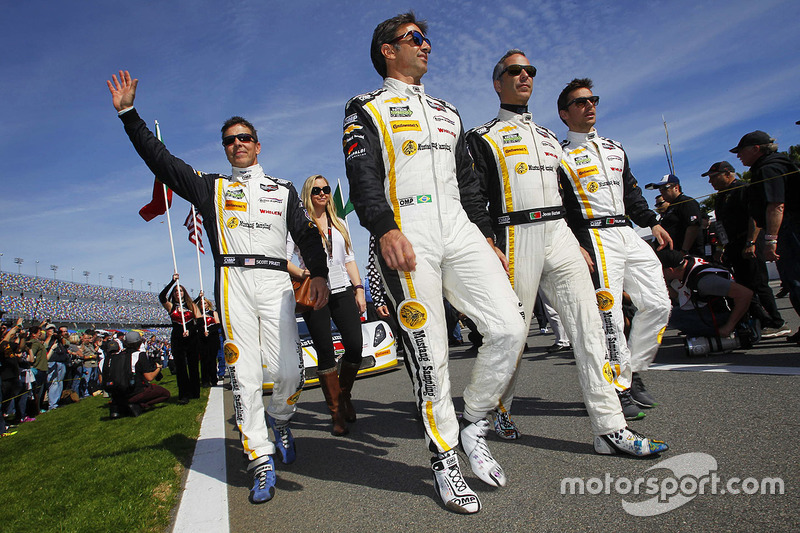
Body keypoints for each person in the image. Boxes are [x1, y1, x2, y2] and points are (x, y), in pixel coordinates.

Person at [107, 70, 329, 505]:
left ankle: (280, 419)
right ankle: (259, 459)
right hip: (231, 282)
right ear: (224, 148)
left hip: (274, 281)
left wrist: (318, 273)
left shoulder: (282, 190)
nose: (238, 144)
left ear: (258, 144)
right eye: (229, 140)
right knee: (243, 375)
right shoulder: (210, 187)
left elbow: (306, 237)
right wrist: (130, 116)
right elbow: (163, 162)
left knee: (288, 371)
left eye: (245, 137)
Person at [343, 13, 529, 514]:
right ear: (387, 49)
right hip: (409, 230)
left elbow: (469, 182)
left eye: (426, 39)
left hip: (460, 229)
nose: (426, 46)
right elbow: (362, 176)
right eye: (414, 39)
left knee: (510, 328)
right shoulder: (365, 107)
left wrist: (486, 235)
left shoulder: (449, 112)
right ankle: (444, 456)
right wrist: (383, 229)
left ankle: (473, 424)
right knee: (432, 350)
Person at [466, 51, 667, 456]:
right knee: (513, 334)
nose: (524, 76)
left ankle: (610, 428)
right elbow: (474, 195)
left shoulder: (546, 138)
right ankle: (492, 408)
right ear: (497, 83)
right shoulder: (481, 136)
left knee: (590, 326)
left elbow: (568, 198)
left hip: (558, 232)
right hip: (514, 234)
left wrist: (575, 239)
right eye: (514, 71)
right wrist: (487, 241)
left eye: (529, 71)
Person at [558, 78, 673, 418]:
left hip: (627, 232)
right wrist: (574, 243)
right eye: (580, 102)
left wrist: (652, 221)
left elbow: (632, 193)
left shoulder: (615, 148)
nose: (589, 105)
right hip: (595, 237)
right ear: (565, 114)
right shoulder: (560, 156)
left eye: (592, 99)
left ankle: (633, 371)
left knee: (658, 305)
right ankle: (617, 388)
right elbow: (559, 207)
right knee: (609, 317)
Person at [287, 175, 366, 436]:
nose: (322, 193)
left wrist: (359, 290)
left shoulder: (340, 223)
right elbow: (283, 259)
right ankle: (336, 413)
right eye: (316, 190)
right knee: (325, 352)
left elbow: (350, 259)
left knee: (354, 346)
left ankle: (344, 395)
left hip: (343, 289)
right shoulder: (299, 225)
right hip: (316, 292)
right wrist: (302, 274)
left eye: (326, 189)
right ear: (308, 194)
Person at [703, 161, 786, 335]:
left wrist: (751, 242)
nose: (711, 182)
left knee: (758, 284)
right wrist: (721, 246)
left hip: (748, 241)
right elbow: (719, 225)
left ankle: (776, 323)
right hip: (732, 245)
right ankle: (760, 320)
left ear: (728, 174)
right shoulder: (720, 196)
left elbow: (754, 218)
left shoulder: (744, 189)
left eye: (713, 177)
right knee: (743, 286)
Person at [731, 130, 800, 341]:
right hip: (788, 227)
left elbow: (776, 205)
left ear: (756, 149)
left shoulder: (769, 168)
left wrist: (771, 239)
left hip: (791, 227)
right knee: (793, 280)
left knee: (796, 279)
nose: (738, 156)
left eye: (741, 151)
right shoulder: (769, 166)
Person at [657, 249, 756, 340]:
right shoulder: (686, 265)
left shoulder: (704, 281)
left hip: (725, 313)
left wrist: (729, 326)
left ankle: (721, 333)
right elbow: (677, 295)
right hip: (710, 306)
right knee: (671, 311)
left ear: (670, 270)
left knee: (673, 316)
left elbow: (746, 294)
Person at [159, 274, 202, 404]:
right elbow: (161, 297)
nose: (179, 293)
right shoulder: (171, 306)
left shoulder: (191, 305)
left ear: (184, 293)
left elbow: (200, 321)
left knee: (193, 365)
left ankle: (195, 391)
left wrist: (191, 330)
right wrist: (172, 281)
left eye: (181, 290)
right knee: (181, 367)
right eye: (176, 291)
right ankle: (184, 394)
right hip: (177, 339)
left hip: (191, 338)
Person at [645, 174, 703, 256]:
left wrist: (684, 251)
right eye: (660, 189)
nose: (662, 191)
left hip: (688, 256)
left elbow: (693, 227)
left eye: (665, 188)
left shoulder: (687, 202)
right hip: (673, 255)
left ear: (676, 188)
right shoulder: (671, 207)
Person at [123, 331, 171, 417]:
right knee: (165, 394)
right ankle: (139, 405)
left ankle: (126, 404)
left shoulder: (121, 355)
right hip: (136, 390)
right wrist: (158, 368)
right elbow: (149, 377)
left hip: (123, 391)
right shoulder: (140, 355)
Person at [194, 292, 222, 387]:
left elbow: (218, 324)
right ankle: (205, 380)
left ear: (208, 304)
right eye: (201, 303)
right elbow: (192, 306)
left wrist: (209, 331)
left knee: (212, 359)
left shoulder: (213, 313)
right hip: (202, 339)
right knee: (204, 360)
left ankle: (213, 379)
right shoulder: (198, 314)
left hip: (212, 338)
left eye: (204, 303)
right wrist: (199, 297)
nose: (203, 305)